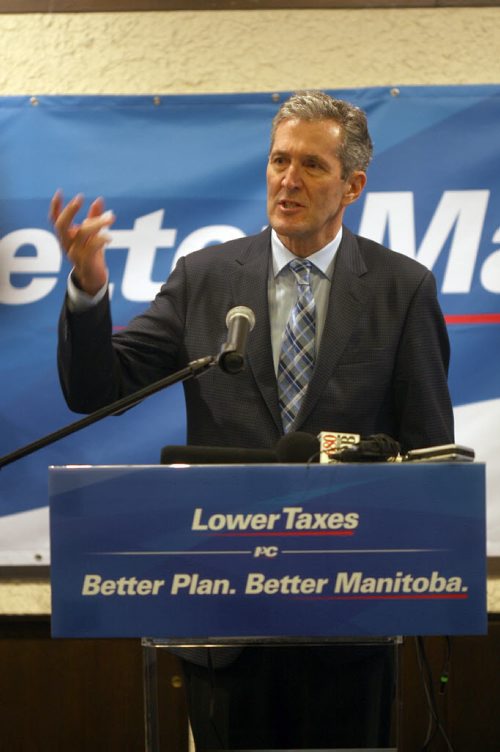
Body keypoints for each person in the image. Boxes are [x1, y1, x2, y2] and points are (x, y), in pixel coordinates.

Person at [51, 90, 454, 749]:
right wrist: (89, 287)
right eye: (278, 160)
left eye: (312, 166)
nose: (288, 181)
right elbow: (96, 389)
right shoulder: (205, 277)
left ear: (352, 184)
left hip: (348, 620)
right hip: (224, 621)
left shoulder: (400, 289)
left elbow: (431, 451)